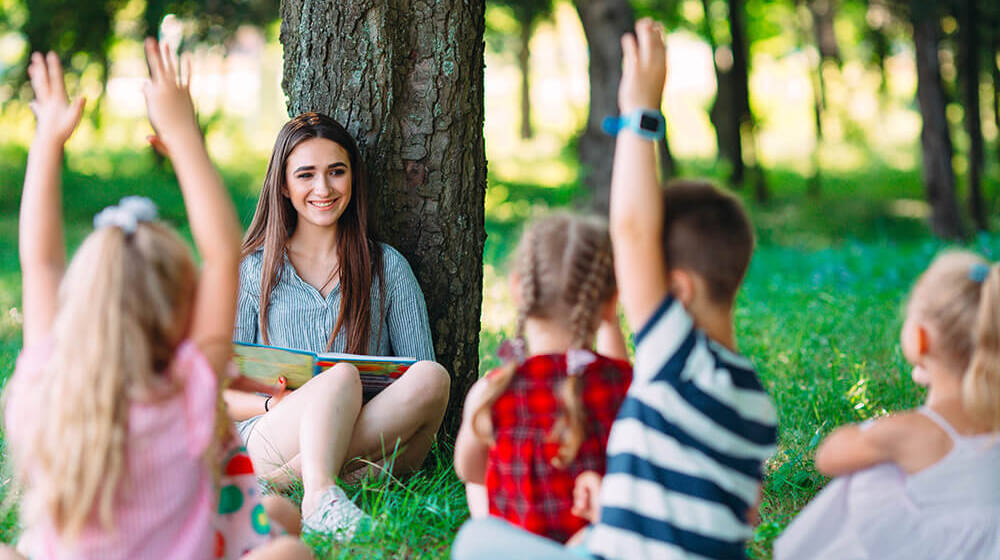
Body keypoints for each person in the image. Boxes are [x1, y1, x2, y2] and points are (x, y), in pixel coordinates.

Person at [453, 18, 777, 560]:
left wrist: (640, 113)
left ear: (677, 287)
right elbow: (733, 511)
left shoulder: (678, 362)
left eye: (638, 275)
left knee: (475, 539)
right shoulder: (751, 400)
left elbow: (630, 228)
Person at [1, 42, 310, 560]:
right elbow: (222, 256)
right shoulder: (187, 388)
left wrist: (47, 138)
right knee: (288, 551)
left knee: (274, 514)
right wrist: (184, 134)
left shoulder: (44, 385)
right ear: (181, 312)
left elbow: (40, 264)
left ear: (83, 301)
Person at [226, 112, 451, 536]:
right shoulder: (251, 271)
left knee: (433, 378)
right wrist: (282, 404)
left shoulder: (387, 267)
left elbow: (417, 384)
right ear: (283, 186)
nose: (323, 189)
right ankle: (322, 495)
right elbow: (221, 392)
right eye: (306, 174)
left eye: (336, 172)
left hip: (361, 423)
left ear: (353, 178)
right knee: (338, 378)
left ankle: (305, 483)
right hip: (268, 431)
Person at [774, 251, 1000, 559]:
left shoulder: (911, 431)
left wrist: (867, 430)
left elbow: (827, 458)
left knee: (873, 473)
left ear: (920, 339)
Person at [453, 213, 632, 543]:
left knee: (477, 504)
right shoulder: (622, 386)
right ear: (610, 303)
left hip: (521, 548)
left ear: (519, 289)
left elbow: (470, 472)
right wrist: (610, 320)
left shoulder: (493, 391)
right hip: (602, 547)